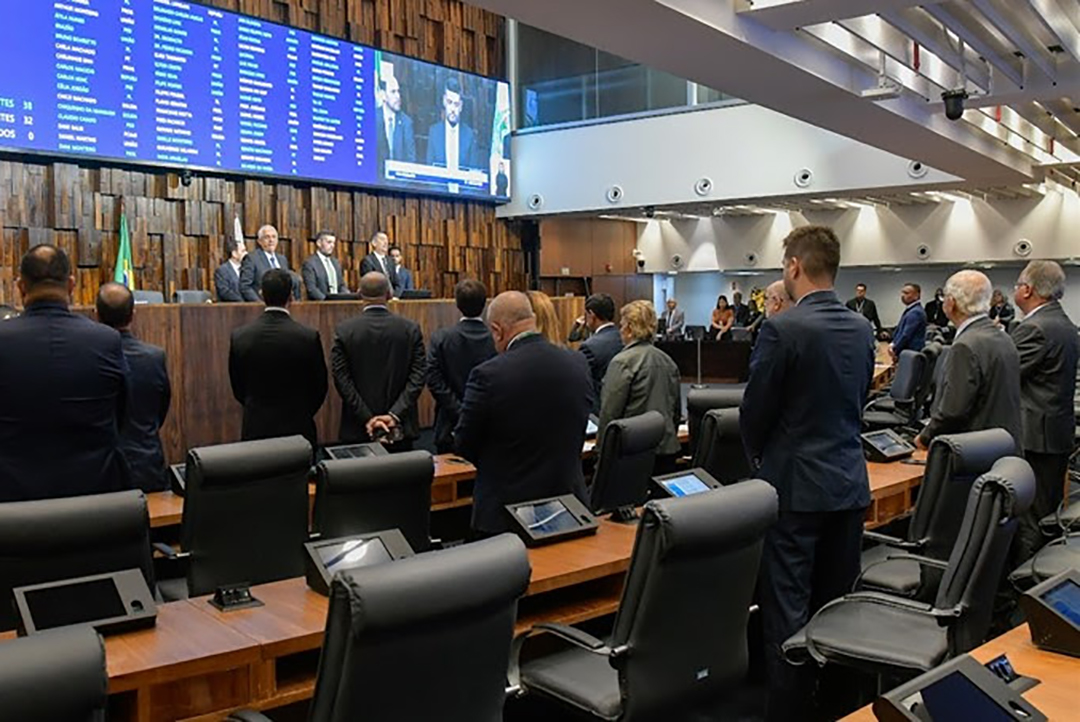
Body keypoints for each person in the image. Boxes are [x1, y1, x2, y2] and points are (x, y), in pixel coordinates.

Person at [739, 226, 875, 720]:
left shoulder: (783, 328)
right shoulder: (861, 329)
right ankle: (838, 708)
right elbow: (857, 400)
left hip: (793, 489)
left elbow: (755, 413)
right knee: (836, 607)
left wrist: (761, 464)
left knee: (787, 615)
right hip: (847, 482)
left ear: (794, 266)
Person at [454, 291, 593, 535]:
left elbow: (465, 445)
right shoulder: (577, 362)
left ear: (496, 330)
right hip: (569, 508)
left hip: (506, 515)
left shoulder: (487, 375)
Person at [0, 245, 129, 502]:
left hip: (13, 509)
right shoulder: (107, 340)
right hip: (94, 504)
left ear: (20, 286)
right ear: (71, 285)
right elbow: (122, 415)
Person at [1009, 261, 1079, 563]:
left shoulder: (1035, 328)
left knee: (1029, 517)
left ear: (1027, 289)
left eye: (1016, 285)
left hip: (1035, 435)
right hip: (1055, 431)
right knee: (1046, 512)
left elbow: (1004, 375)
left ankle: (1023, 590)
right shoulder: (1064, 322)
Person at [915, 270, 1021, 450]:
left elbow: (953, 411)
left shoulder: (965, 345)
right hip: (1002, 445)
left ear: (950, 303)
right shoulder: (1002, 337)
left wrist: (924, 438)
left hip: (972, 451)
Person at [229, 269, 328, 451]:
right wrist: (302, 412)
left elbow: (238, 388)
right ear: (291, 296)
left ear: (261, 294)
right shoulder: (307, 337)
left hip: (256, 428)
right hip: (298, 429)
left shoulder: (240, 337)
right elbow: (320, 387)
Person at [332, 272, 426, 449]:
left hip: (358, 428)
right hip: (400, 427)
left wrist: (367, 417)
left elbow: (341, 379)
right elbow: (419, 376)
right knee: (403, 476)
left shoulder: (344, 331)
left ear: (359, 294)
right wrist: (394, 415)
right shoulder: (410, 329)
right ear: (389, 294)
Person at [96, 283, 172, 493]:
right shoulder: (154, 357)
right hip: (147, 465)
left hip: (103, 474)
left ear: (97, 315)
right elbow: (160, 411)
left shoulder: (89, 358)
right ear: (133, 313)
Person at [597, 300, 682, 466]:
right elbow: (675, 410)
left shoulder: (622, 362)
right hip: (666, 448)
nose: (620, 330)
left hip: (632, 451)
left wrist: (601, 453)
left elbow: (610, 412)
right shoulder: (668, 361)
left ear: (629, 328)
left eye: (622, 325)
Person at [427, 279, 496, 453]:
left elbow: (434, 380)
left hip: (449, 424)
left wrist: (459, 411)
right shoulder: (497, 339)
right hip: (488, 424)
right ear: (485, 303)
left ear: (457, 304)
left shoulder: (441, 338)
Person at [578, 293, 623, 414]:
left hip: (600, 411)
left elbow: (581, 382)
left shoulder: (589, 347)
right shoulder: (624, 338)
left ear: (591, 315)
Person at [426, 77, 478, 170]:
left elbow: (472, 173)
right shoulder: (434, 132)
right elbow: (430, 171)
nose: (453, 109)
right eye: (449, 102)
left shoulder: (469, 135)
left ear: (461, 106)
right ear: (444, 101)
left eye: (456, 104)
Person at [375, 75, 417, 177]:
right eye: (393, 92)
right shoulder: (372, 118)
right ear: (383, 95)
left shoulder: (406, 123)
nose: (398, 96)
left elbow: (411, 161)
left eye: (398, 91)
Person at [239, 225, 291, 302]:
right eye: (267, 237)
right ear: (259, 241)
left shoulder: (282, 259)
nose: (271, 240)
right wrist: (260, 304)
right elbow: (245, 286)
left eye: (274, 237)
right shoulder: (252, 259)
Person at [301, 231, 350, 301]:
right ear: (319, 243)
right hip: (320, 305)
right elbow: (312, 289)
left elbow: (341, 285)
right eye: (329, 242)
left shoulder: (336, 263)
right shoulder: (310, 263)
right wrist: (326, 301)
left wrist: (347, 296)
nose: (332, 245)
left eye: (333, 243)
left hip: (338, 303)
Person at [890, 283, 927, 358]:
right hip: (908, 354)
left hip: (911, 354)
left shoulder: (916, 312)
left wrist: (895, 349)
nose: (903, 295)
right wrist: (893, 343)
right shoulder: (911, 310)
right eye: (902, 292)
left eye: (906, 293)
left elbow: (906, 335)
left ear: (916, 296)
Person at [214, 238, 247, 302]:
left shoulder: (247, 268)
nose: (246, 253)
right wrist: (244, 301)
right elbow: (225, 292)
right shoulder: (222, 271)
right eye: (243, 251)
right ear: (234, 253)